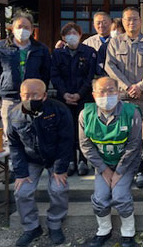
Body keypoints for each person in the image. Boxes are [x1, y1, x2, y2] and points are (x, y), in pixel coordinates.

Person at [8, 79, 73, 247]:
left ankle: (55, 224)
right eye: (26, 95)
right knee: (22, 190)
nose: (30, 98)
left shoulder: (59, 110)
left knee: (59, 188)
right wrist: (20, 172)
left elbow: (66, 141)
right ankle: (31, 227)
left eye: (35, 95)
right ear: (20, 95)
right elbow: (14, 145)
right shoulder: (14, 114)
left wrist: (60, 169)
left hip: (54, 158)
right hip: (31, 159)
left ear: (44, 95)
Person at [79, 77, 143, 247]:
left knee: (120, 196)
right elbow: (85, 146)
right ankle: (103, 230)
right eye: (102, 91)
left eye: (111, 90)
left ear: (119, 92)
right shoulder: (85, 114)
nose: (106, 95)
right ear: (93, 95)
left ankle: (128, 233)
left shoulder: (132, 113)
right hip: (102, 164)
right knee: (100, 198)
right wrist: (104, 170)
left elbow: (134, 145)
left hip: (126, 164)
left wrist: (119, 171)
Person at [105, 6, 143, 188]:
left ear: (140, 21)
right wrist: (127, 86)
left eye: (135, 19)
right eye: (128, 19)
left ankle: (141, 170)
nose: (131, 22)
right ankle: (124, 169)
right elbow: (110, 66)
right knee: (123, 132)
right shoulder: (115, 42)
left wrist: (140, 86)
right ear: (123, 20)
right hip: (122, 97)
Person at [0, 12, 51, 144]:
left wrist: (42, 93)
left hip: (33, 98)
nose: (23, 30)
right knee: (10, 132)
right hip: (9, 95)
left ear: (32, 30)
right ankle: (12, 162)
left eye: (26, 27)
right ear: (13, 28)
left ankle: (33, 162)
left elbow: (46, 72)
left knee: (32, 131)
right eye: (19, 27)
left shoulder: (40, 49)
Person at [51, 22, 97, 176]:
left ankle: (84, 160)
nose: (72, 36)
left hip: (84, 97)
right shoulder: (57, 54)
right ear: (63, 37)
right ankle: (70, 160)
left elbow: (91, 76)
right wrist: (64, 94)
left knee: (84, 130)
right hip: (63, 98)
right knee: (66, 130)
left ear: (80, 35)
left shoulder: (89, 52)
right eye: (68, 33)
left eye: (75, 32)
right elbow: (55, 76)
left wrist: (79, 94)